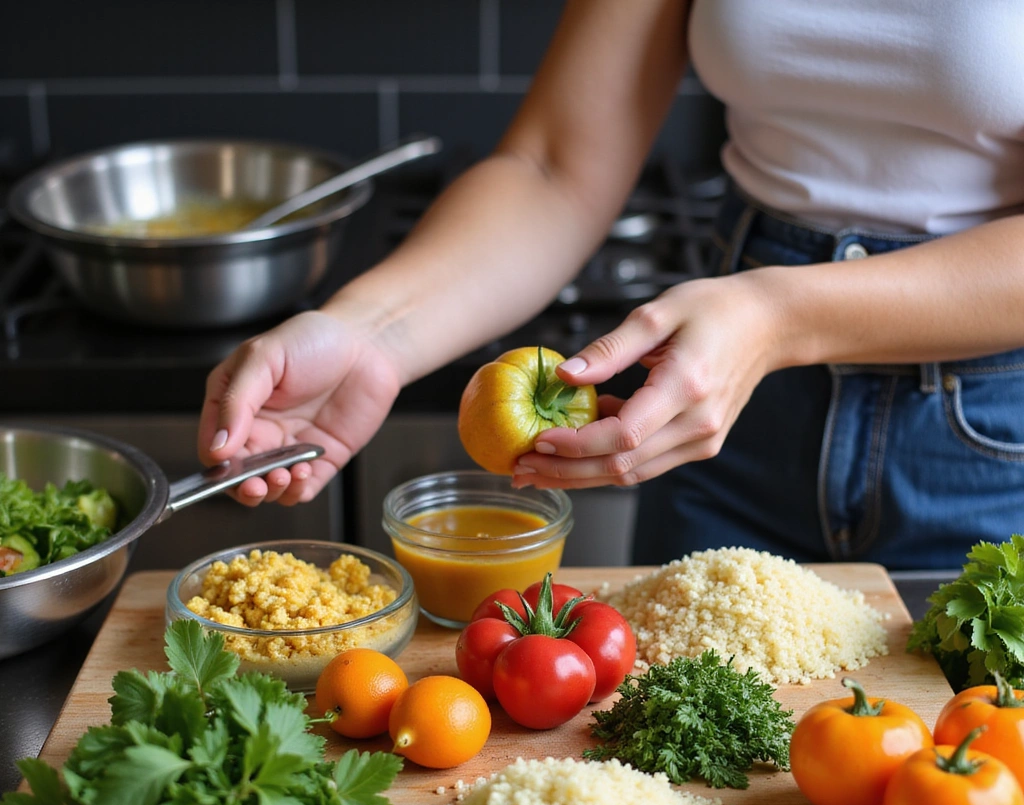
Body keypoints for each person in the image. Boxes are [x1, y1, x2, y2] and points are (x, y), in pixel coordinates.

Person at [197, 0, 1024, 570]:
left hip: (988, 432)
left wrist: (779, 316)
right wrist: (369, 334)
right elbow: (555, 166)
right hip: (728, 406)